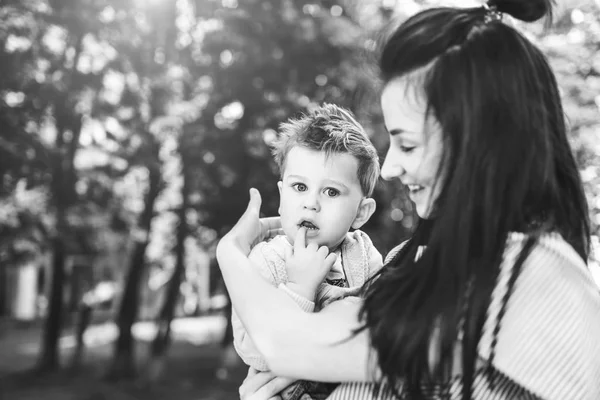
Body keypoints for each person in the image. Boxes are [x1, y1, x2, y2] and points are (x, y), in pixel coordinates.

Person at [217, 0, 600, 399]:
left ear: (480, 144)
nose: (389, 169)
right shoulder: (415, 259)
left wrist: (230, 251)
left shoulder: (527, 279)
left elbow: (288, 344)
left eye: (408, 144)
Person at [231, 103, 383, 400]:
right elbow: (256, 353)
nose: (311, 203)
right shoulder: (266, 260)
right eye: (299, 187)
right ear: (281, 195)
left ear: (361, 213)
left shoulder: (363, 253)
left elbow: (385, 326)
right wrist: (299, 290)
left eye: (331, 192)